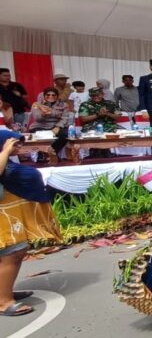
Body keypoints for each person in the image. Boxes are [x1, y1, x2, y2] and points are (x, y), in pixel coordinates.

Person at [0, 131, 61, 317]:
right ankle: (3, 302)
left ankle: (4, 290)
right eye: (13, 143)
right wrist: (5, 151)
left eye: (18, 143)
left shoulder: (9, 161)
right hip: (6, 219)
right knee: (11, 254)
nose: (17, 147)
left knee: (14, 254)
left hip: (13, 216)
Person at [29, 87, 72, 160]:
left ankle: (52, 153)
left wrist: (58, 127)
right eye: (48, 95)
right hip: (40, 126)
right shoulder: (36, 104)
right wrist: (43, 114)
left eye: (53, 95)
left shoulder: (64, 105)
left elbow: (65, 118)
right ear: (44, 96)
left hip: (56, 126)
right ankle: (44, 153)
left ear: (57, 96)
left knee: (65, 134)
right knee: (42, 135)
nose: (50, 97)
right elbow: (37, 118)